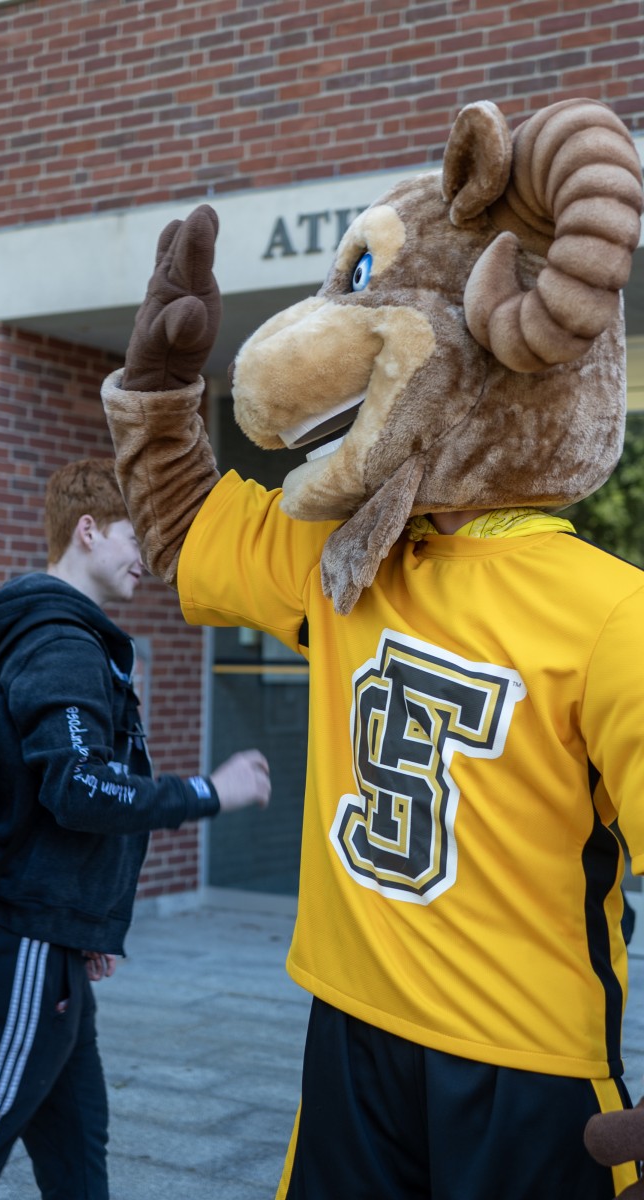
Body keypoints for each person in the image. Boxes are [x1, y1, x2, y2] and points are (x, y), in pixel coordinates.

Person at [100, 97, 644, 1199]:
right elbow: (185, 529)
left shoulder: (610, 609)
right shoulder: (346, 561)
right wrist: (160, 395)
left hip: (525, 1066)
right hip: (351, 1032)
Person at [0, 457, 271, 1200]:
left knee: (76, 1154)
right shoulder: (61, 642)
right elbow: (80, 787)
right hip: (20, 944)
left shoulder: (47, 634)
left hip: (46, 938)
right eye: (137, 538)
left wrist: (84, 918)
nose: (149, 560)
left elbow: (40, 798)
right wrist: (208, 791)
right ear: (87, 531)